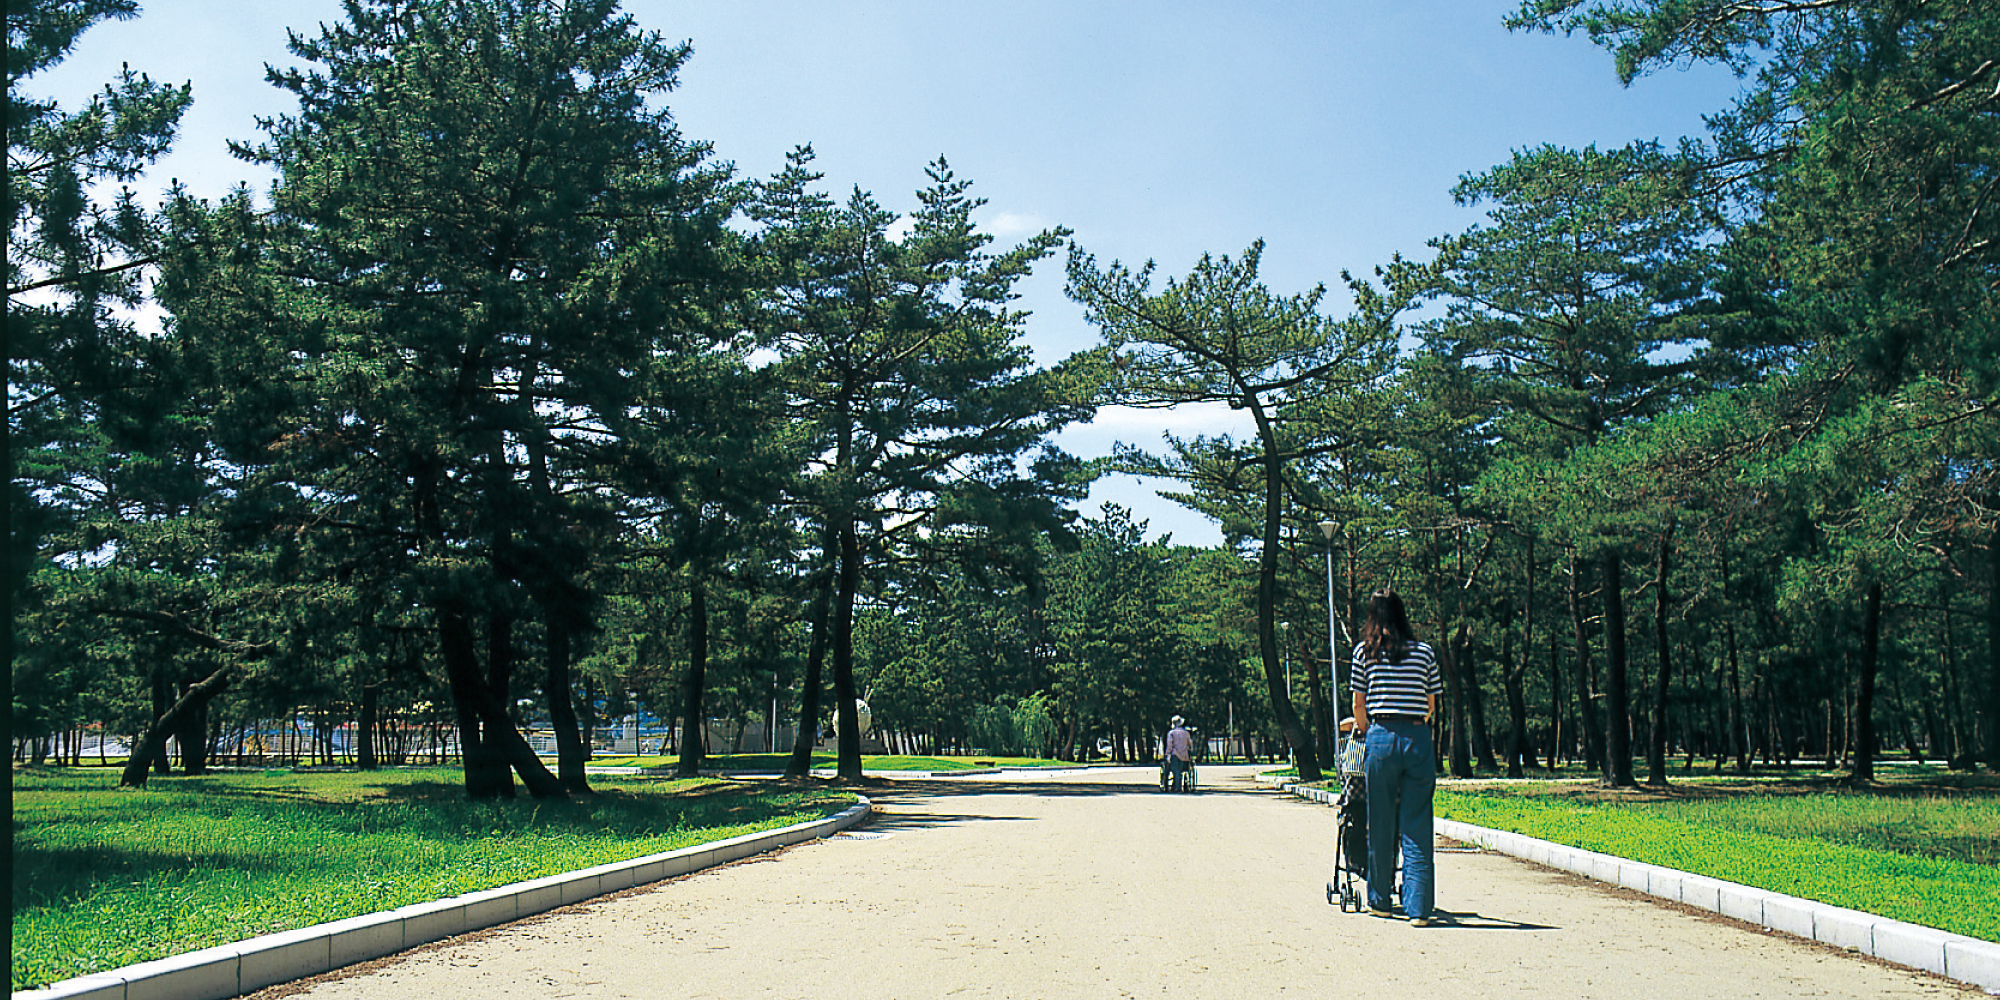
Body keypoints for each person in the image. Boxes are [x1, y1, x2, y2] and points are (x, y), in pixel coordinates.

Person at [1350, 589, 1443, 926]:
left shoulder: (1365, 653)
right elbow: (1432, 703)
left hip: (1381, 738)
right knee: (1417, 823)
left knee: (1381, 822)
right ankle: (1419, 908)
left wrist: (1365, 729)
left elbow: (1359, 705)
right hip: (1417, 737)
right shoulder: (1424, 653)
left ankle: (1381, 900)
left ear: (1372, 616)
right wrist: (1416, 722)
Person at [1163, 715, 1193, 792]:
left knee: (1175, 770)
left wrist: (1167, 754)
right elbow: (1190, 744)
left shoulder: (1171, 733)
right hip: (1184, 755)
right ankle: (1177, 786)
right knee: (1179, 771)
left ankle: (1177, 787)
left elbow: (1169, 745)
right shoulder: (1186, 733)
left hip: (1175, 754)